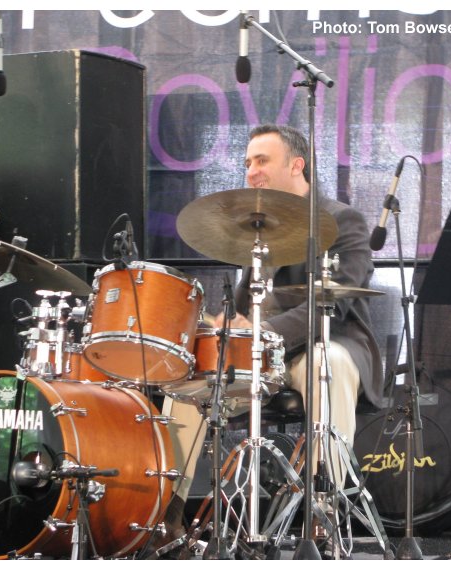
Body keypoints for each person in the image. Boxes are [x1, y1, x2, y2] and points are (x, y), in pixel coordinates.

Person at [155, 123, 384, 551]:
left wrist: (266, 330)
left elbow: (336, 303)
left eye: (262, 160)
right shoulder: (255, 226)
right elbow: (243, 309)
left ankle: (325, 509)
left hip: (325, 342)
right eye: (247, 163)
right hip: (262, 357)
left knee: (325, 364)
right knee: (189, 380)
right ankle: (167, 512)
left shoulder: (342, 220)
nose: (251, 172)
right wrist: (224, 327)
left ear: (296, 165)